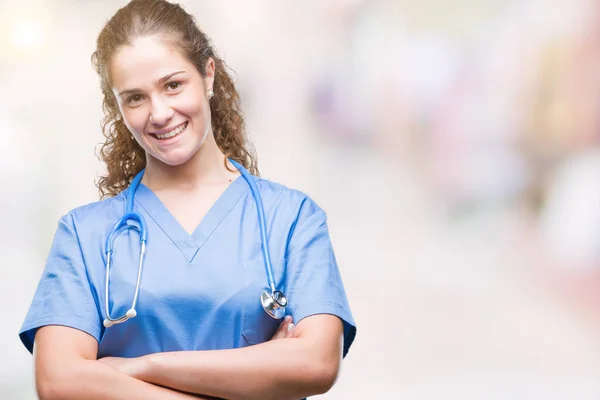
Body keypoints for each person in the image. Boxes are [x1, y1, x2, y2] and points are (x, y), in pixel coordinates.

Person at [18, 1, 356, 399]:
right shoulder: (84, 235)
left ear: (208, 75)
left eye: (173, 85)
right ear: (118, 107)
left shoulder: (292, 219)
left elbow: (316, 364)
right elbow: (59, 382)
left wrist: (143, 367)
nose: (159, 112)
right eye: (135, 98)